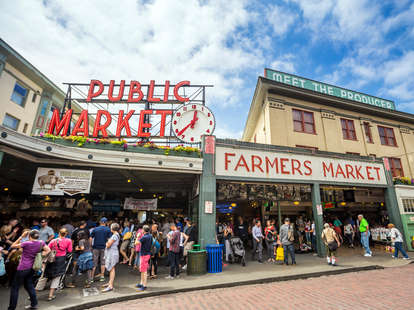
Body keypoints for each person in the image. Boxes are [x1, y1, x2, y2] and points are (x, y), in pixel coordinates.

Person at [8, 230, 51, 310]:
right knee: (29, 285)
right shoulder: (41, 242)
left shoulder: (27, 243)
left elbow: (13, 246)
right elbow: (48, 250)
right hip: (32, 268)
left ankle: (11, 308)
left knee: (15, 288)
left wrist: (21, 236)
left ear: (29, 236)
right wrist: (40, 256)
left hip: (23, 268)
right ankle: (34, 305)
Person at [44, 228, 72, 301]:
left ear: (59, 233)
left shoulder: (53, 240)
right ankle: (50, 295)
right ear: (66, 234)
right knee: (56, 277)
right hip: (61, 260)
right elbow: (70, 250)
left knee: (45, 276)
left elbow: (48, 248)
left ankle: (34, 294)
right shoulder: (68, 241)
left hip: (51, 259)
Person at [101, 223, 120, 292]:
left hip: (112, 253)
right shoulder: (116, 235)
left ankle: (110, 285)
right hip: (113, 253)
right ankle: (110, 283)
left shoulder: (114, 235)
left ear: (112, 228)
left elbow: (108, 245)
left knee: (111, 269)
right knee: (112, 268)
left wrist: (107, 242)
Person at [90, 217, 111, 282]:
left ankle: (91, 278)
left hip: (95, 247)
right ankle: (102, 276)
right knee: (103, 262)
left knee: (94, 262)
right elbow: (109, 239)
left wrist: (91, 246)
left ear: (100, 222)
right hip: (104, 248)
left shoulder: (95, 229)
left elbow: (90, 238)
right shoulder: (108, 229)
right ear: (106, 223)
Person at [136, 225, 152, 291]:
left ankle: (144, 285)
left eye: (142, 229)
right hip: (147, 254)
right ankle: (141, 283)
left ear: (144, 230)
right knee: (142, 269)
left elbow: (136, 243)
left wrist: (137, 236)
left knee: (144, 271)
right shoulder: (150, 236)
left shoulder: (144, 237)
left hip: (144, 255)